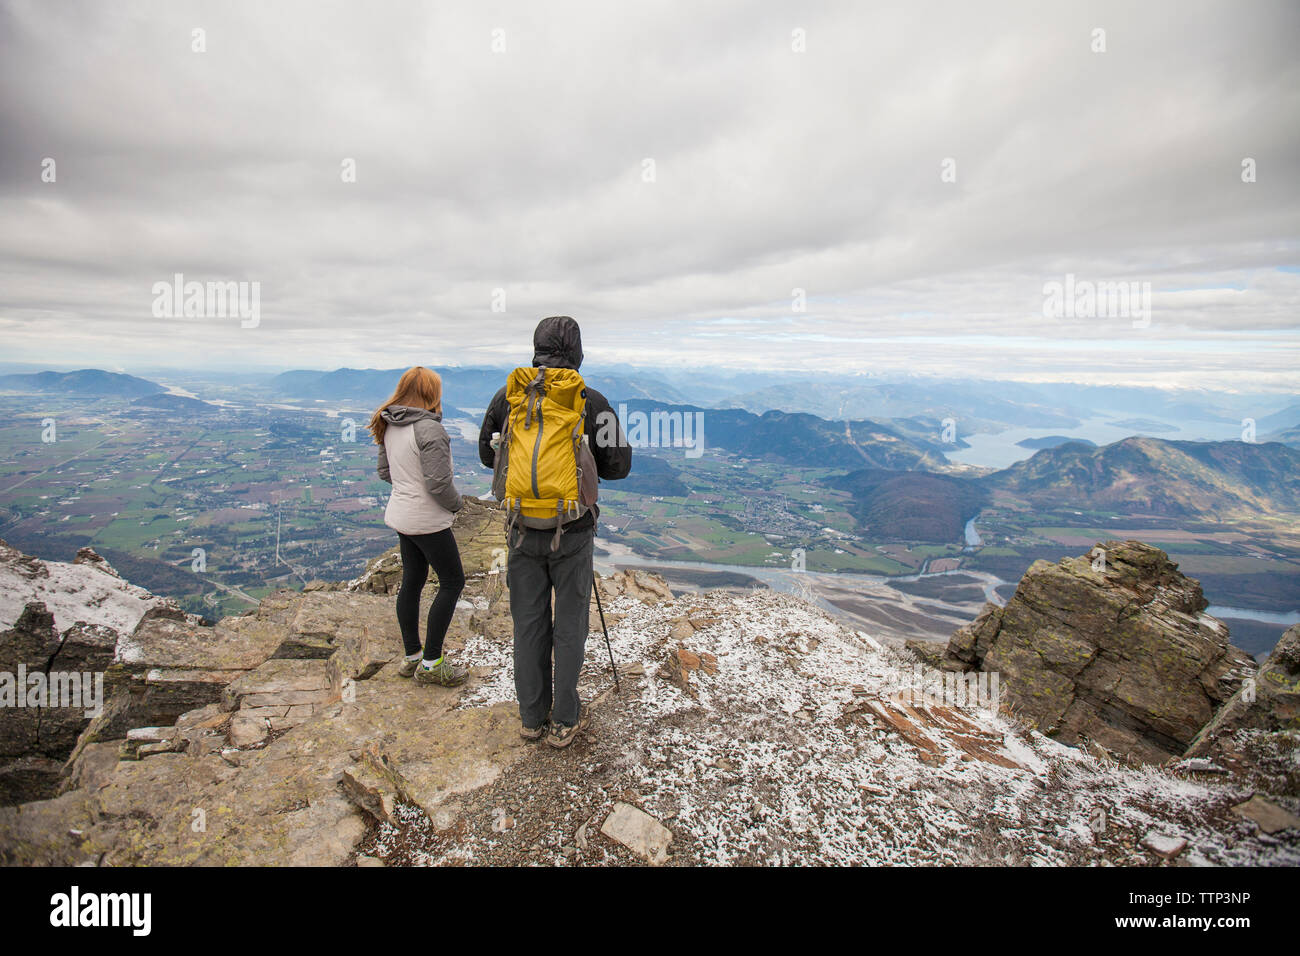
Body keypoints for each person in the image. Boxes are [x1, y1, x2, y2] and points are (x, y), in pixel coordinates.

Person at [479, 316, 632, 748]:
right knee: (569, 625)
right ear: (578, 351)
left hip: (522, 528)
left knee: (528, 624)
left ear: (537, 346)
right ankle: (564, 720)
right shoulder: (589, 400)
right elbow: (620, 465)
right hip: (573, 529)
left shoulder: (509, 396)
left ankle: (531, 718)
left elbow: (484, 454)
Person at [370, 366, 468, 687]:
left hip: (402, 515)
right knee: (453, 581)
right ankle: (432, 664)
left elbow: (386, 473)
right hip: (428, 519)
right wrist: (458, 504)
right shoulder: (429, 429)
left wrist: (407, 486)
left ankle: (412, 654)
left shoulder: (390, 424)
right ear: (431, 394)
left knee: (412, 580)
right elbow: (439, 483)